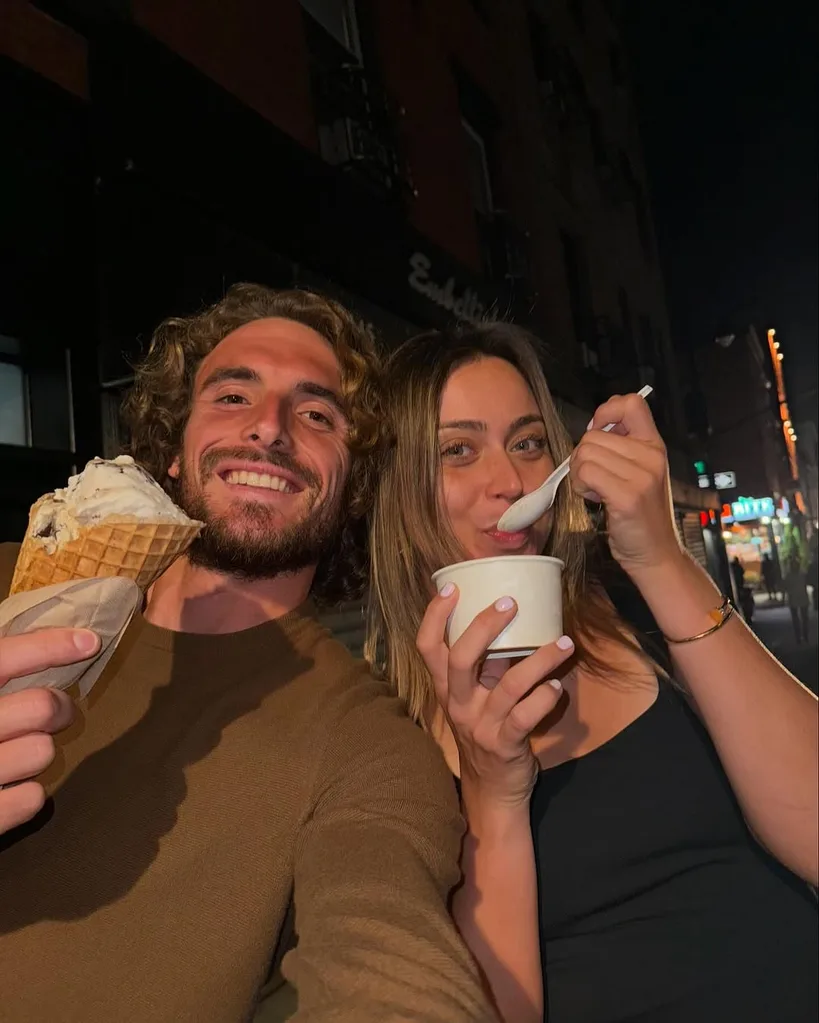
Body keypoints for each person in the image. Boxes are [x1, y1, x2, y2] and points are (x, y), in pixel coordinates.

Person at [0, 285, 495, 1023]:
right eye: (232, 395)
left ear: (351, 483)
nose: (268, 428)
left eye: (317, 413)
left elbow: (392, 955)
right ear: (172, 448)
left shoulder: (367, 743)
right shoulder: (10, 579)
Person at [366, 322, 818, 1023]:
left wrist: (661, 558)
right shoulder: (378, 728)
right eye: (457, 450)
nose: (510, 480)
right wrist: (492, 790)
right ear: (396, 487)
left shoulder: (632, 608)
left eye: (526, 441)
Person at [783, 552, 811, 645]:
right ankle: (804, 636)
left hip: (794, 599)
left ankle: (799, 637)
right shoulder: (802, 574)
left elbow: (785, 588)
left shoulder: (789, 576)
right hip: (802, 599)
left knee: (797, 620)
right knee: (803, 619)